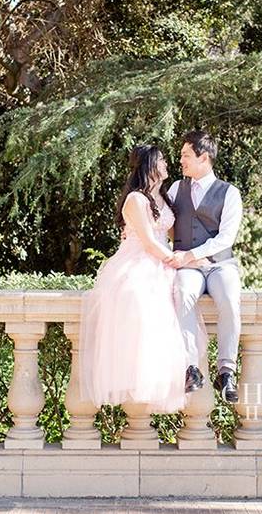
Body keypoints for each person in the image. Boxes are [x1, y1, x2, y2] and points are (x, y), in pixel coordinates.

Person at [78, 145, 206, 414]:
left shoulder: (164, 198)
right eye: (161, 160)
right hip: (139, 260)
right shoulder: (135, 200)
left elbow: (174, 235)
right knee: (143, 304)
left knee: (179, 304)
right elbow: (149, 242)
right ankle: (144, 376)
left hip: (163, 260)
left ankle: (181, 372)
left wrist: (195, 255)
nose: (167, 163)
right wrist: (181, 260)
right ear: (148, 164)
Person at [168, 130, 243, 403]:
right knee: (182, 293)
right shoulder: (176, 188)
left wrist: (192, 254)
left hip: (220, 265)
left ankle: (227, 370)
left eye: (186, 155)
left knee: (229, 299)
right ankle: (191, 368)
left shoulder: (230, 193)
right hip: (188, 269)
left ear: (204, 157)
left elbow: (226, 238)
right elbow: (164, 223)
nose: (181, 161)